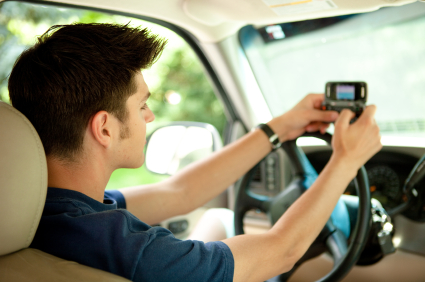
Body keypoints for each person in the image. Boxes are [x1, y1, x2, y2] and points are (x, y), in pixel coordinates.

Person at [8, 23, 381, 282]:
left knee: (217, 218)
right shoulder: (137, 252)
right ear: (104, 128)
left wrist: (279, 127)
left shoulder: (41, 213)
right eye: (142, 106)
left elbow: (178, 193)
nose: (150, 116)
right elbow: (281, 251)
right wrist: (346, 160)